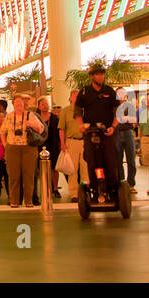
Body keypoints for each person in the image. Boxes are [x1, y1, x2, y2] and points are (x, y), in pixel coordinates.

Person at [76, 65, 120, 201]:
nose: (100, 76)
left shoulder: (110, 91)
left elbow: (117, 111)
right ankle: (95, 188)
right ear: (91, 76)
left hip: (107, 132)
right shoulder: (84, 92)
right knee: (91, 160)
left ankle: (113, 188)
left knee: (111, 161)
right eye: (97, 74)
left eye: (102, 74)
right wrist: (81, 126)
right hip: (90, 132)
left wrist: (113, 126)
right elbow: (77, 112)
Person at [3, 94, 45, 208]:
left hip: (28, 148)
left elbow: (41, 129)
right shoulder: (8, 116)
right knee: (13, 175)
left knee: (29, 174)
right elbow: (3, 131)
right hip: (12, 148)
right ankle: (14, 200)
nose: (18, 105)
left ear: (24, 104)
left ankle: (28, 200)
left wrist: (31, 124)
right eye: (16, 103)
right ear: (13, 104)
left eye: (20, 103)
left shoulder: (30, 115)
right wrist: (5, 144)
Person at [58, 89, 85, 200]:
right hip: (71, 141)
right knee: (72, 168)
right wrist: (63, 143)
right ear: (71, 97)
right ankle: (74, 193)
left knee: (86, 167)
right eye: (75, 96)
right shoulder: (65, 111)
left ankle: (85, 190)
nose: (77, 98)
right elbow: (62, 129)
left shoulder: (85, 110)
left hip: (84, 141)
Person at [36, 96, 62, 199]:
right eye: (42, 104)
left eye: (46, 104)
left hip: (53, 145)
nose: (45, 106)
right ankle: (45, 188)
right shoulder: (36, 118)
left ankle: (55, 188)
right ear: (38, 106)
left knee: (54, 168)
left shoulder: (54, 118)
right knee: (41, 168)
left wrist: (60, 144)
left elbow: (59, 131)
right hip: (40, 145)